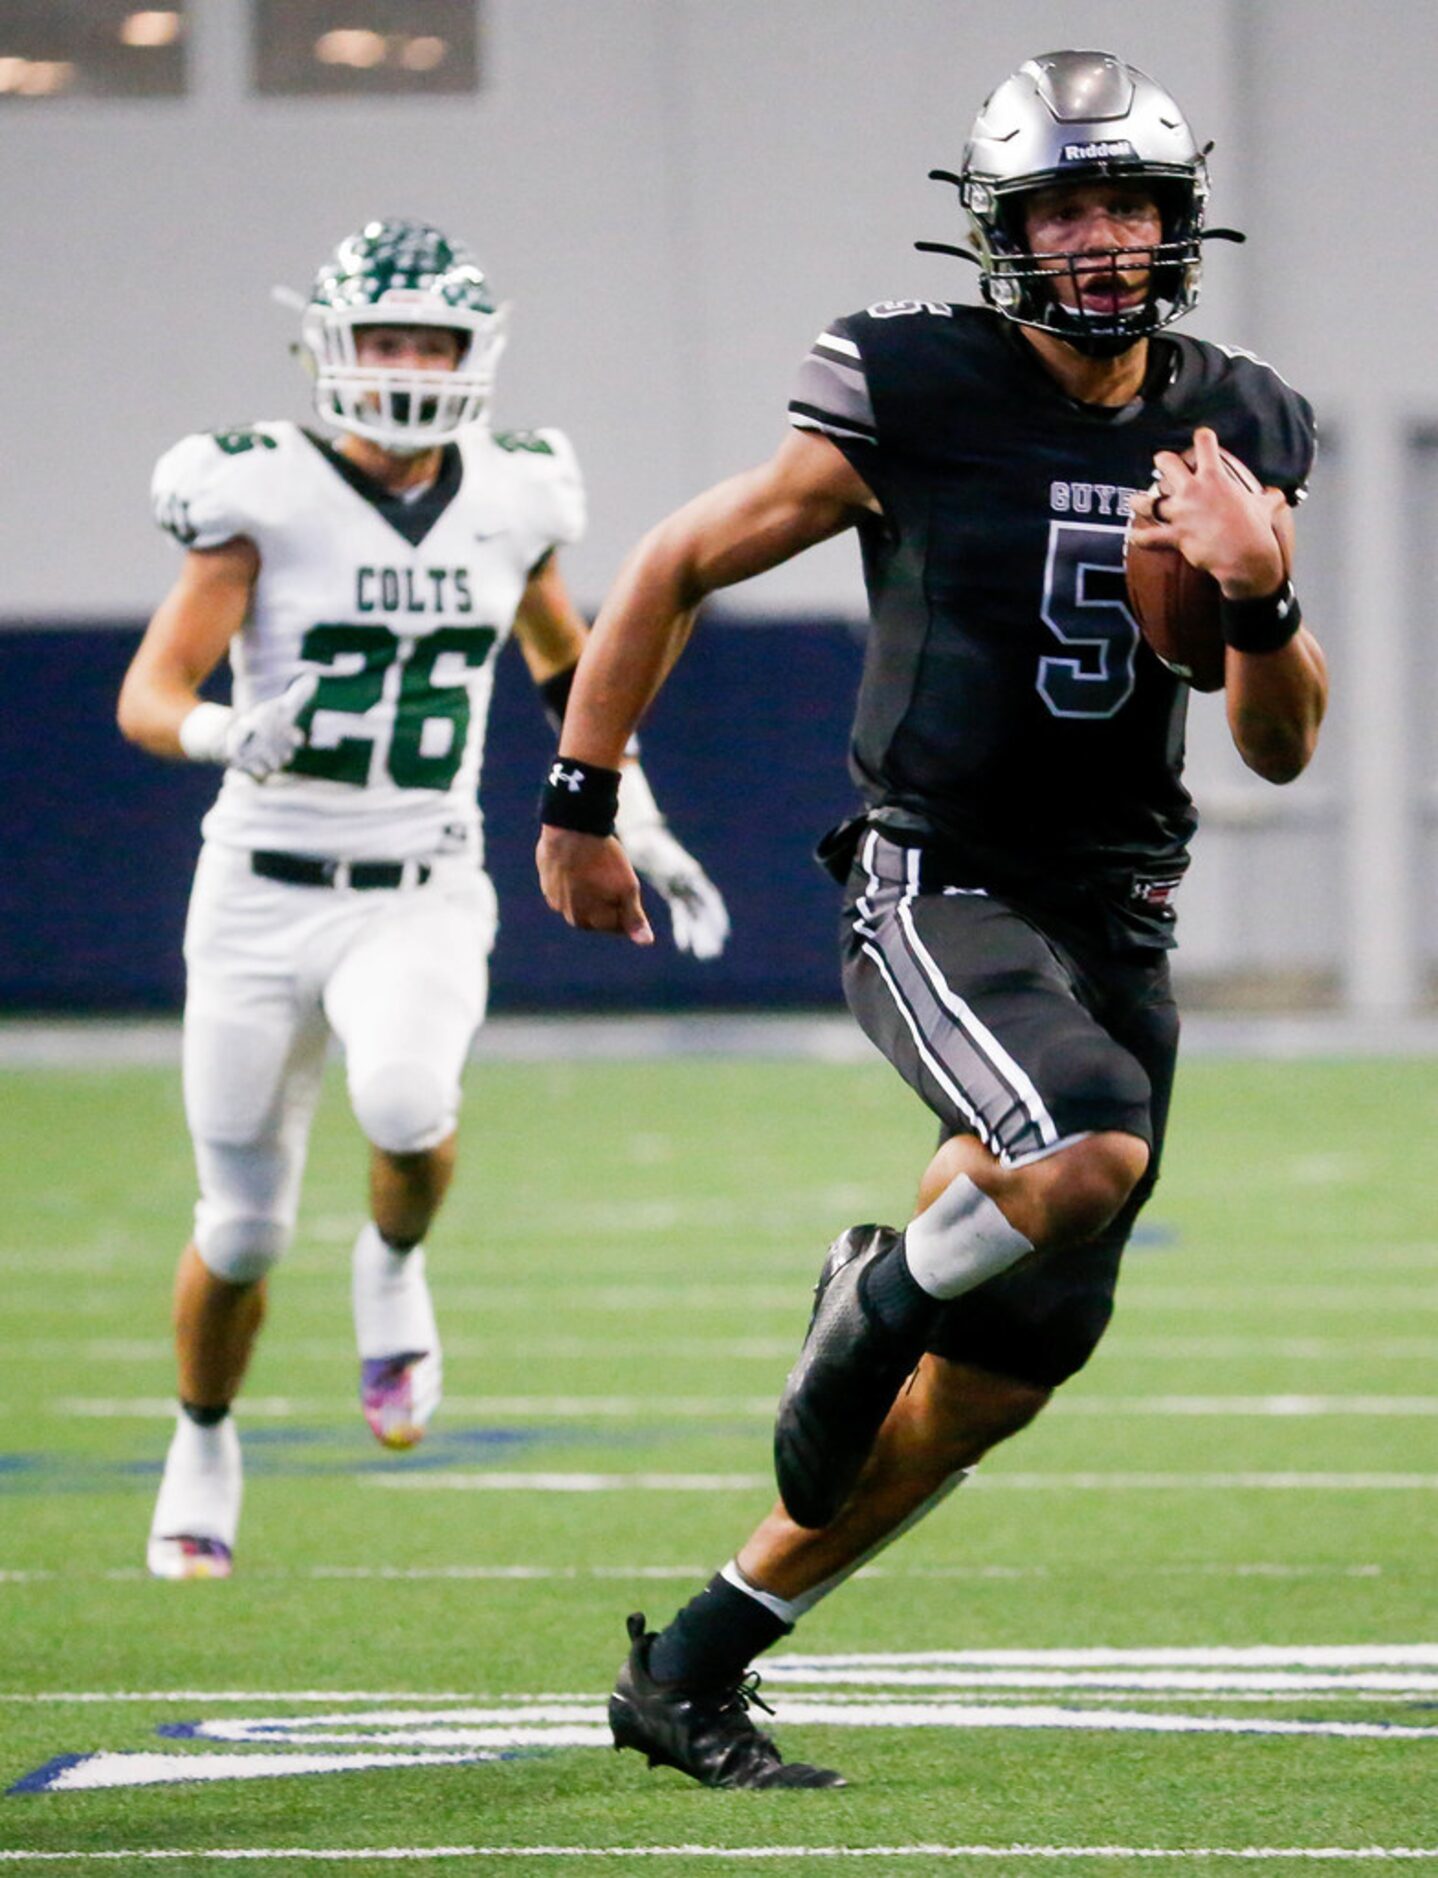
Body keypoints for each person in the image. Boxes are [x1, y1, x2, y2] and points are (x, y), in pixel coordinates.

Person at [537, 51, 1328, 1788]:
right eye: (1064, 206)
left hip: (1118, 904)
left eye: (1126, 201)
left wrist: (1261, 597)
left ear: (1178, 217)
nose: (1102, 238)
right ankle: (876, 1287)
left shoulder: (1239, 417)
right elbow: (673, 562)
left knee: (1004, 1378)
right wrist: (583, 794)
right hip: (936, 872)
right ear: (1002, 231)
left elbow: (1277, 741)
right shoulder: (915, 385)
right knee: (1085, 1149)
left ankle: (693, 1660)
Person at [118, 218, 729, 1581]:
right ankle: (202, 1434)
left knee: (403, 1101)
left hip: (421, 882)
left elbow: (572, 681)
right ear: (330, 347)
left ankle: (392, 1266)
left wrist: (637, 810)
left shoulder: (515, 492)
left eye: (431, 342)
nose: (405, 364)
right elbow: (149, 692)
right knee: (240, 1224)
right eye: (383, 338)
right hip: (258, 890)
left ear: (476, 355)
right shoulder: (258, 488)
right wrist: (223, 733)